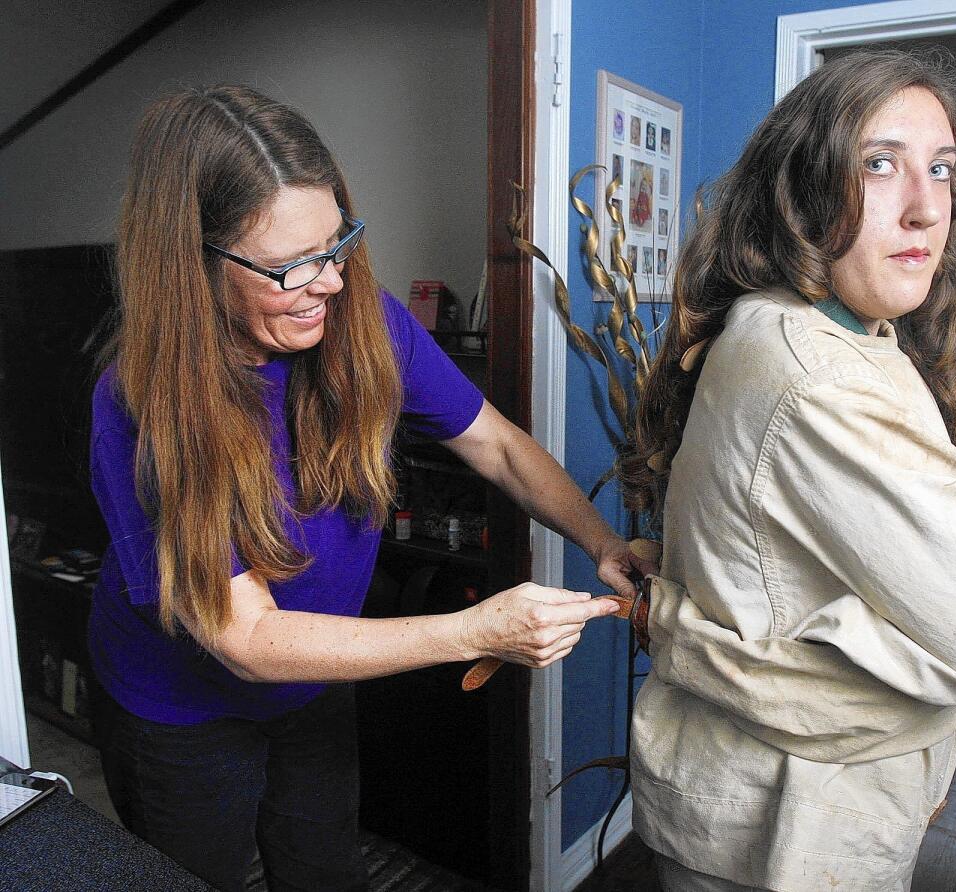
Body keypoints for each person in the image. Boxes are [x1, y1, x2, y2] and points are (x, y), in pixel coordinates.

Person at [88, 84, 654, 892]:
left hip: (316, 676)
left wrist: (603, 542)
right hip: (179, 708)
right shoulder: (137, 404)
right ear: (195, 263)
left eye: (339, 243)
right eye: (291, 266)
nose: (330, 282)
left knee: (324, 869)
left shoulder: (367, 323)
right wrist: (474, 631)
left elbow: (497, 446)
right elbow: (246, 641)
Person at [619, 49, 956, 891]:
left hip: (788, 811)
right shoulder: (814, 369)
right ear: (805, 189)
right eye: (880, 164)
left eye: (940, 170)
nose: (926, 208)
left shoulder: (844, 332)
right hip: (780, 834)